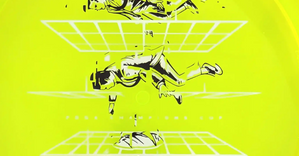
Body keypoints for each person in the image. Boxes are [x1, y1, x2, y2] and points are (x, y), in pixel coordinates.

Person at [90, 46, 222, 113]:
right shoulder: (110, 72)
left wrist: (160, 85)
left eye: (106, 87)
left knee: (179, 81)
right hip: (147, 63)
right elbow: (114, 89)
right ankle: (174, 94)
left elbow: (147, 73)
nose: (108, 89)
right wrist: (111, 104)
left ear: (106, 80)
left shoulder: (125, 72)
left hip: (155, 61)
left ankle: (204, 69)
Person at [84, 0, 203, 20]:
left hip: (144, 4)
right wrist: (135, 17)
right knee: (165, 18)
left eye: (96, 6)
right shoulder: (109, 8)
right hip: (140, 11)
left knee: (170, 6)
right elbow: (125, 13)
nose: (98, 9)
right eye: (95, 9)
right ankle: (186, 5)